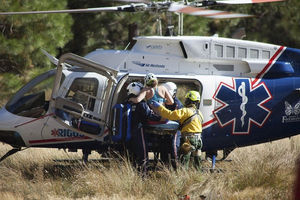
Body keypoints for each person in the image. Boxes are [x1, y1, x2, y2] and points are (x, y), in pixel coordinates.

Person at [150, 90, 203, 170]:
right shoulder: (199, 113)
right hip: (198, 140)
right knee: (197, 162)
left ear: (189, 100)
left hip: (188, 139)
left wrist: (159, 107)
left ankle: (182, 178)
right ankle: (198, 176)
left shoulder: (186, 111)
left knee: (183, 161)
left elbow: (170, 115)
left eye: (187, 99)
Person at [125, 81, 162, 174]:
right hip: (139, 130)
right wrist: (162, 116)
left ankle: (134, 173)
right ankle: (143, 176)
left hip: (130, 132)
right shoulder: (141, 104)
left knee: (133, 154)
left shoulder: (128, 102)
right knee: (143, 154)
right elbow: (149, 115)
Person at [159, 82, 184, 169]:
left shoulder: (177, 104)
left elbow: (178, 118)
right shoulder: (163, 102)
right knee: (163, 149)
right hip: (165, 130)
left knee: (174, 148)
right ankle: (165, 168)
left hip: (175, 130)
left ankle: (176, 168)